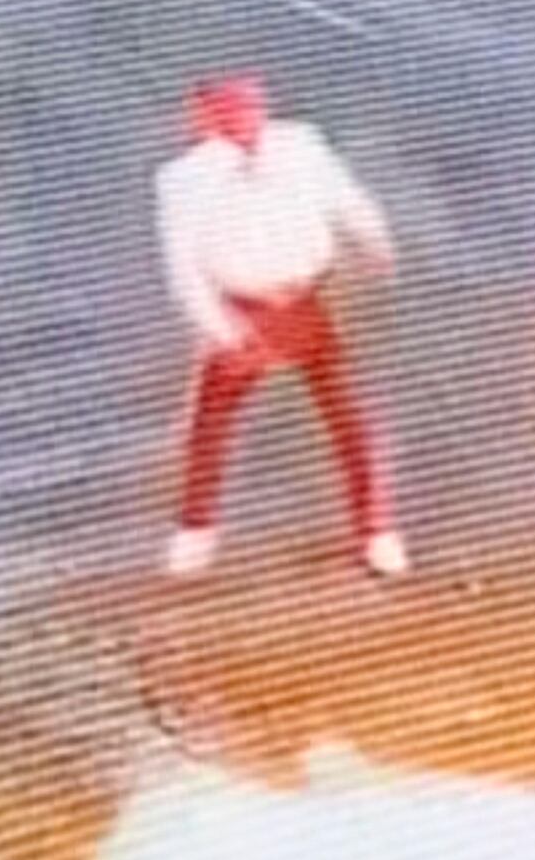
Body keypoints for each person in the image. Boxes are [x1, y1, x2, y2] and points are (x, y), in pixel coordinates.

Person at [152, 73, 406, 581]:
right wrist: (220, 328)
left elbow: (345, 200)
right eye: (223, 113)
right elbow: (183, 265)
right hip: (243, 308)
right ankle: (195, 530)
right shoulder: (183, 178)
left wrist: (378, 247)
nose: (240, 121)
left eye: (247, 108)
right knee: (212, 424)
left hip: (310, 297)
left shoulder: (301, 146)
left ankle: (377, 530)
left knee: (351, 417)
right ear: (203, 120)